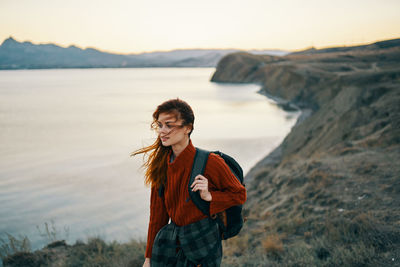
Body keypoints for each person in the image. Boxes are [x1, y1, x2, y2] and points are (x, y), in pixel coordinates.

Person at [132, 98, 246, 267]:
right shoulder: (161, 166)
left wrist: (210, 196)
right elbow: (157, 216)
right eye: (160, 125)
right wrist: (148, 258)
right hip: (171, 246)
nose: (162, 131)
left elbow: (239, 195)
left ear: (188, 128)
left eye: (169, 125)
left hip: (203, 246)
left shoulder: (211, 162)